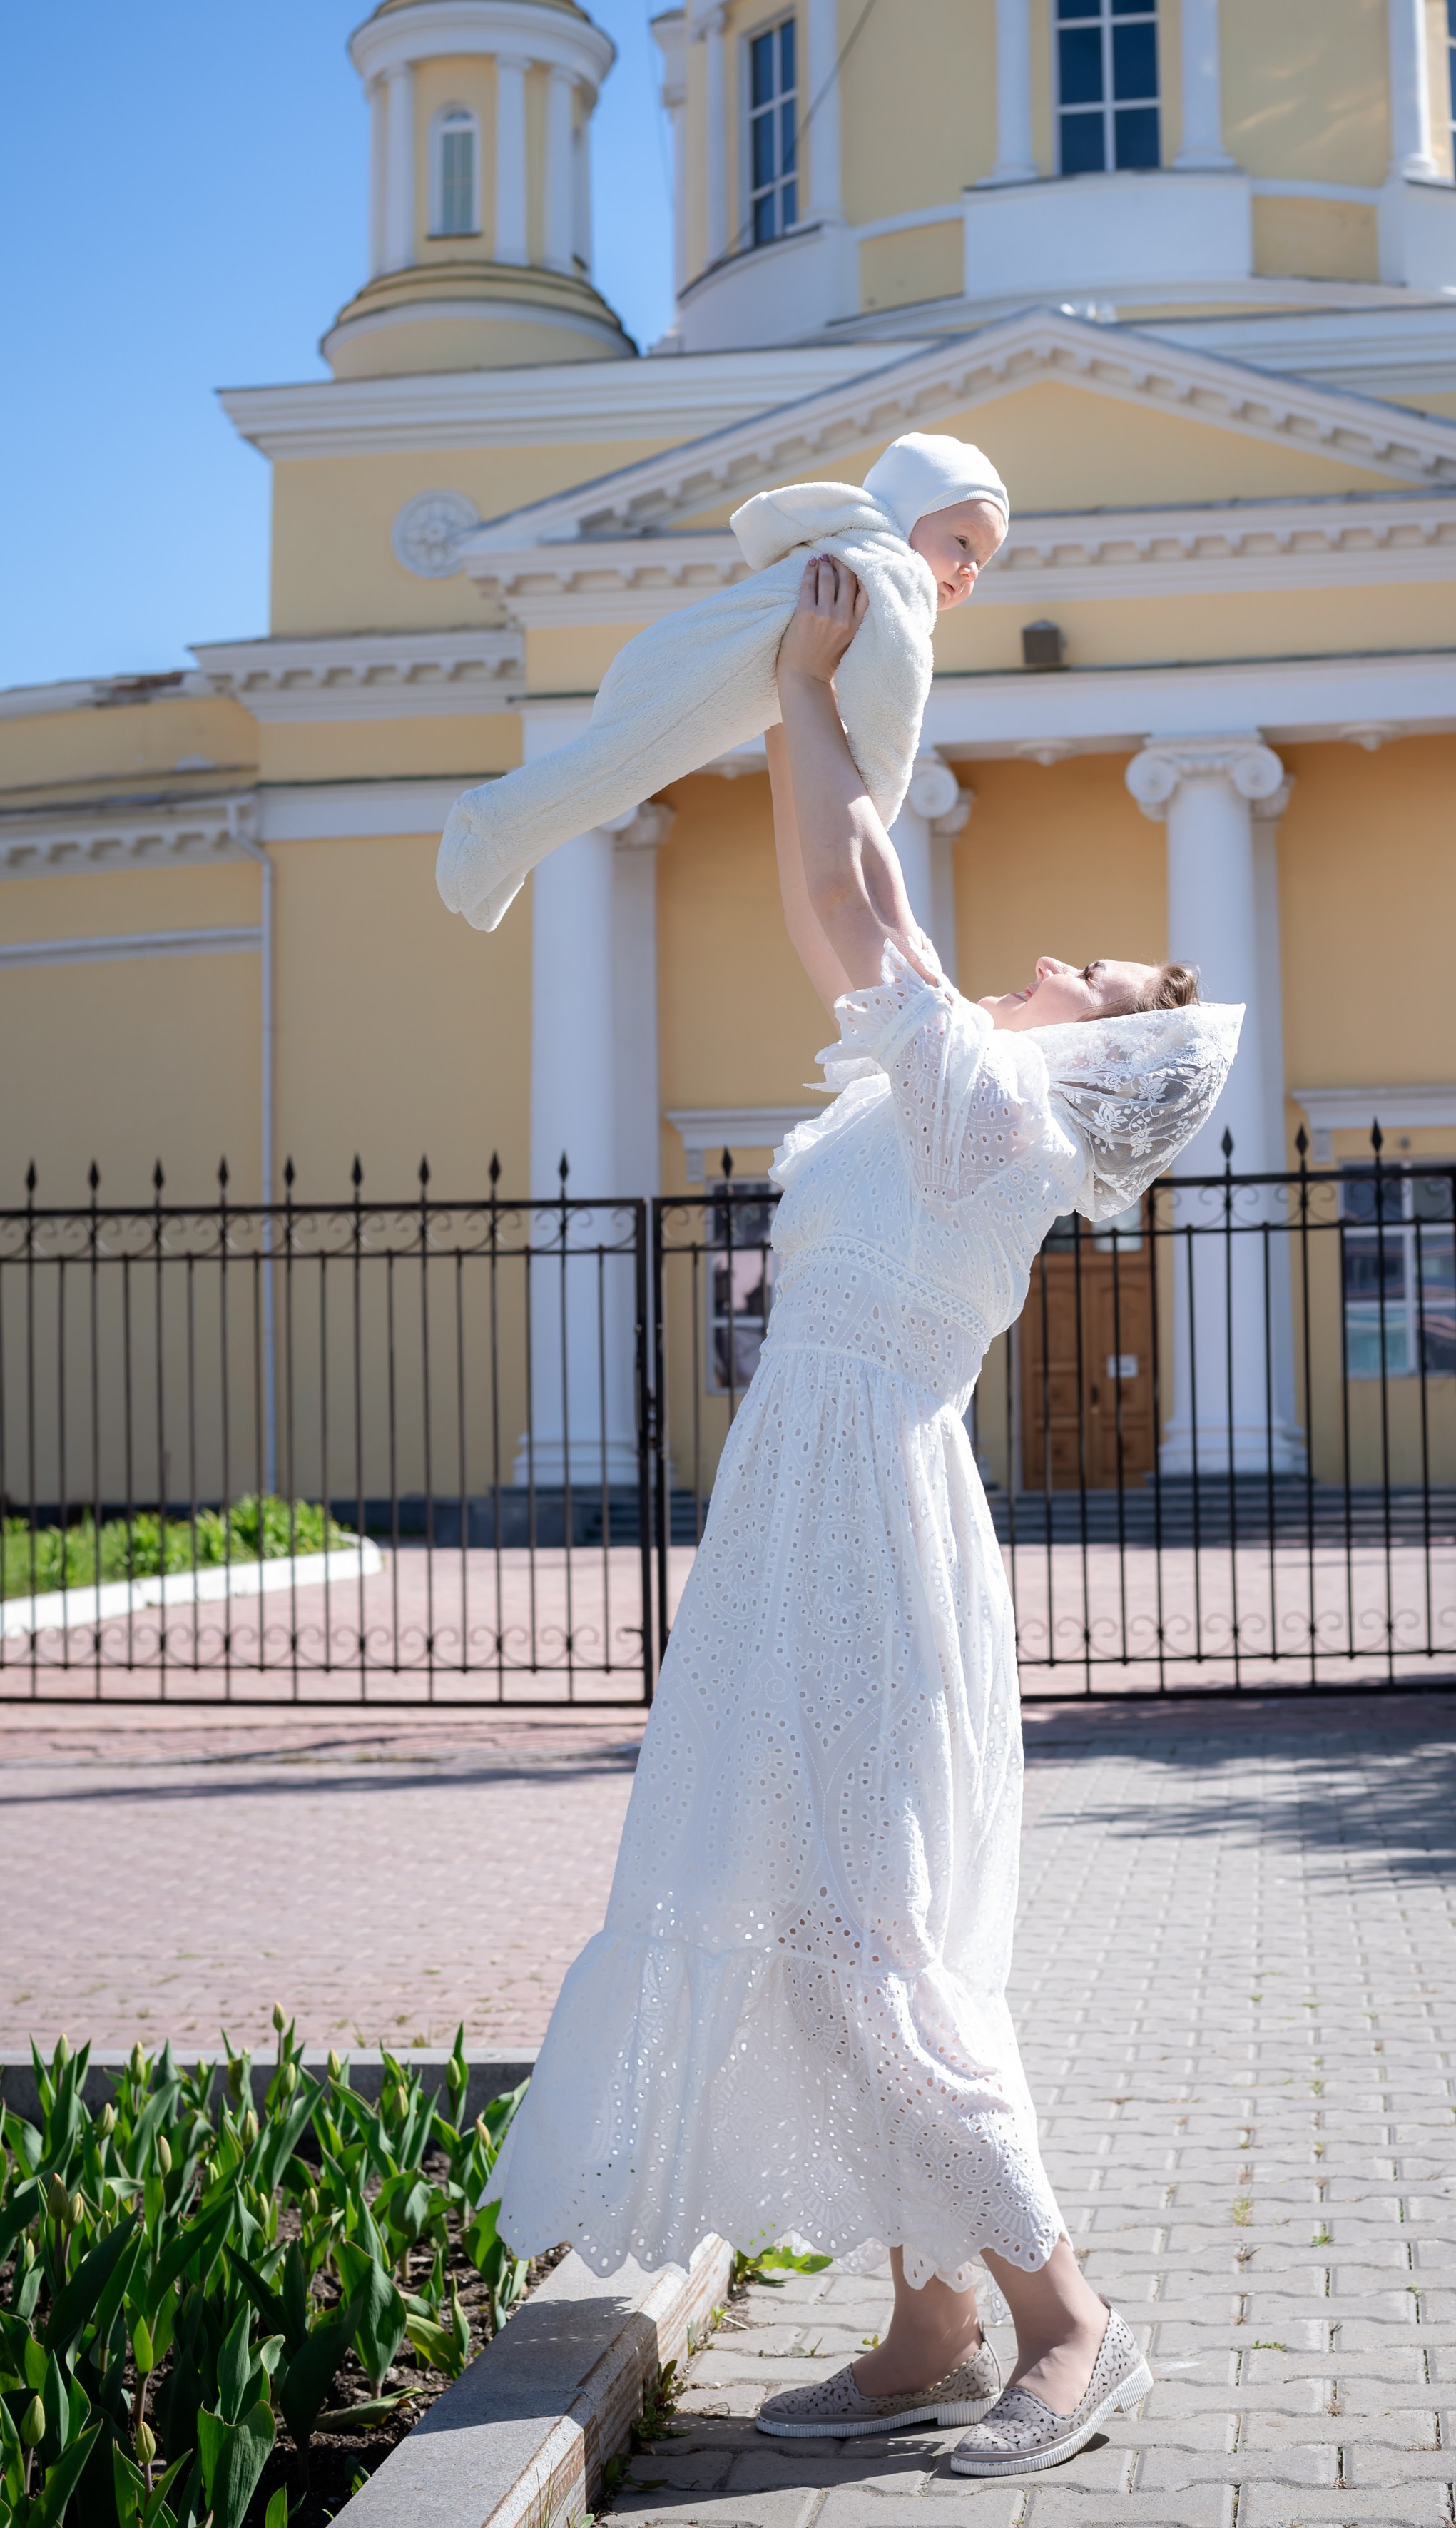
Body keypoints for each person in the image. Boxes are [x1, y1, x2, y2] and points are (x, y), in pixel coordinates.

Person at [485, 554, 1241, 2480]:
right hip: (799, 1505)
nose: (1062, 955)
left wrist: (808, 679)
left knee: (874, 1920)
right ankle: (926, 2317)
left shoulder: (1003, 1110)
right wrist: (785, 692)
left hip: (869, 1513)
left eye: (1098, 969)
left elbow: (855, 887)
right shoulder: (935, 1091)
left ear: (1101, 1054)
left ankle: (1067, 2322)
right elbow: (832, 898)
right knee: (806, 1905)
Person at [435, 430, 1008, 931]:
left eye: (982, 559)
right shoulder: (891, 569)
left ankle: (500, 855)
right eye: (962, 541)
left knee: (605, 776)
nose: (970, 568)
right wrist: (872, 820)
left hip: (670, 660)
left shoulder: (853, 552)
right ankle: (488, 824)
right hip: (696, 679)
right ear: (908, 513)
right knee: (606, 775)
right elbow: (892, 705)